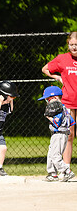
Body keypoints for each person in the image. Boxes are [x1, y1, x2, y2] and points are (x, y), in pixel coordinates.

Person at [42, 32, 77, 171]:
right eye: (72, 45)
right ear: (68, 45)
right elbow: (45, 69)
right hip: (69, 101)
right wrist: (57, 78)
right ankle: (65, 167)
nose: (74, 47)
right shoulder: (62, 59)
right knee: (69, 135)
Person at [37, 86, 76, 182]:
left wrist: (48, 117)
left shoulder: (59, 109)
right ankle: (52, 174)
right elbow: (71, 122)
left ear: (55, 98)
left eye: (48, 99)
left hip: (59, 134)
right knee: (51, 153)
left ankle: (67, 171)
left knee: (55, 155)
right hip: (59, 134)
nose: (47, 102)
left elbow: (56, 123)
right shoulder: (63, 108)